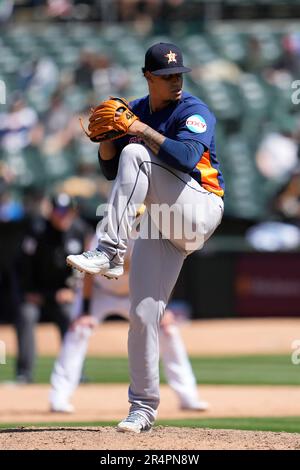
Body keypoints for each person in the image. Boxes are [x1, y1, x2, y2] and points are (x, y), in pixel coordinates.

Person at [67, 42, 224, 433]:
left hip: (198, 208)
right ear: (148, 77)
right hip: (160, 223)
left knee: (136, 155)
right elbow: (110, 171)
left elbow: (187, 159)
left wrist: (134, 130)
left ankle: (110, 251)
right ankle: (142, 408)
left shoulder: (193, 110)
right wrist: (107, 140)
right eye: (167, 76)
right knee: (141, 317)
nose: (175, 81)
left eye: (179, 75)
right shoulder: (135, 108)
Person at [50, 231, 209, 413]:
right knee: (78, 330)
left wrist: (163, 308)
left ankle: (188, 397)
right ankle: (59, 397)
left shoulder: (154, 234)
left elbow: (166, 273)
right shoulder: (107, 232)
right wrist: (85, 310)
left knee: (168, 331)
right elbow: (88, 272)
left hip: (136, 294)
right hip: (100, 291)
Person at [15, 192, 91, 383]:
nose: (63, 216)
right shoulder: (37, 230)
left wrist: (73, 291)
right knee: (26, 315)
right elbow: (22, 266)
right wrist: (28, 292)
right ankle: (24, 373)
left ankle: (76, 373)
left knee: (70, 316)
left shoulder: (80, 230)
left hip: (63, 295)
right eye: (59, 212)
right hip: (36, 294)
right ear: (51, 212)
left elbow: (87, 267)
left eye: (68, 212)